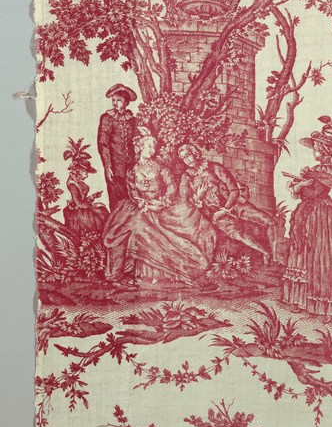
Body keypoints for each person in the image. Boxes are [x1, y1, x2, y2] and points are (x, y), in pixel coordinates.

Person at [103, 135, 216, 286]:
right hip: (140, 206)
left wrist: (164, 200)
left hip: (160, 206)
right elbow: (132, 192)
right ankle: (121, 273)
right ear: (141, 147)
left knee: (172, 231)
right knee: (124, 230)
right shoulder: (132, 171)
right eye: (149, 146)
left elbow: (171, 187)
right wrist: (145, 204)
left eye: (153, 147)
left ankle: (179, 270)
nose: (152, 150)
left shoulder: (161, 169)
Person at [282, 165, 332, 318]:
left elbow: (315, 193)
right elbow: (303, 195)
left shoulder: (328, 172)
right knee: (303, 257)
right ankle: (302, 302)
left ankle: (327, 308)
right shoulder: (315, 172)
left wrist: (299, 186)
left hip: (322, 220)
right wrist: (298, 187)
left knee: (323, 258)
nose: (315, 152)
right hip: (308, 216)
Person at [178, 144, 277, 263]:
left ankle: (275, 257)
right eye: (183, 158)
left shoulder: (214, 167)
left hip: (236, 204)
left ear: (195, 153)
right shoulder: (186, 177)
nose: (187, 160)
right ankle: (265, 254)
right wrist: (198, 197)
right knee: (237, 233)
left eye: (188, 155)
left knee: (269, 222)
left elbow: (234, 190)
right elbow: (183, 201)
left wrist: (225, 209)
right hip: (215, 214)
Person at [97, 84, 138, 210]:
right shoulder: (107, 118)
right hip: (114, 167)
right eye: (113, 100)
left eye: (118, 100)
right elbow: (103, 143)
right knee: (116, 198)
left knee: (131, 198)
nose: (115, 103)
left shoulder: (133, 120)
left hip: (131, 166)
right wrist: (107, 165)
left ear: (126, 102)